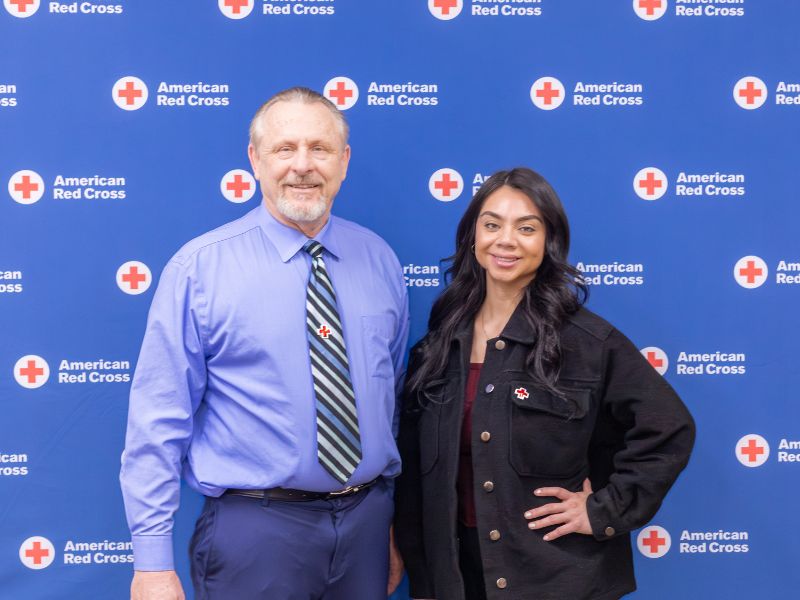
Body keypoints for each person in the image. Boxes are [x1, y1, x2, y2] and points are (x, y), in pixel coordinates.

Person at [120, 87, 409, 600]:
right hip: (256, 533)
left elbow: (389, 404)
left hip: (367, 524)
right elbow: (157, 421)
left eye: (320, 149)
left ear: (343, 161)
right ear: (255, 159)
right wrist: (151, 562)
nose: (302, 165)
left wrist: (390, 525)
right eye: (284, 149)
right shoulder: (200, 269)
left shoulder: (380, 260)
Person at [394, 167, 695, 600]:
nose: (506, 240)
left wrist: (603, 511)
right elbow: (412, 472)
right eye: (492, 224)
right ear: (472, 236)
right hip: (454, 580)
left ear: (549, 241)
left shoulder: (587, 343)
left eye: (526, 228)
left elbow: (669, 428)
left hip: (556, 579)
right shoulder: (438, 347)